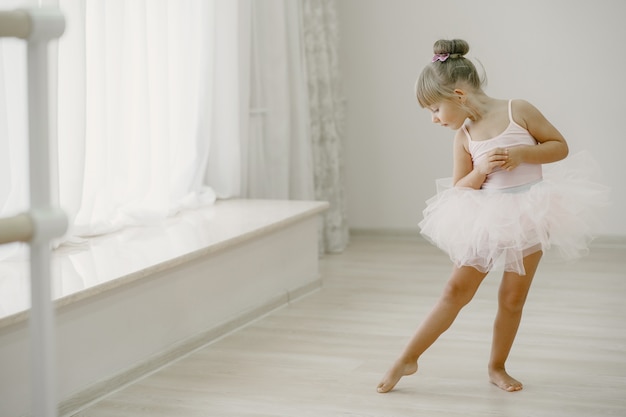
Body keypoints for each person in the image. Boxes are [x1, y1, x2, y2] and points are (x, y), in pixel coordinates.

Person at [376, 39, 609, 393]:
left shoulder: (520, 110)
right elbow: (460, 188)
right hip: (486, 219)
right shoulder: (464, 136)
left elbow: (559, 146)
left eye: (435, 110)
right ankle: (407, 358)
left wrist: (523, 154)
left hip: (530, 213)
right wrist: (481, 169)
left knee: (513, 297)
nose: (434, 119)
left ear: (457, 94)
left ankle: (496, 367)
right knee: (455, 290)